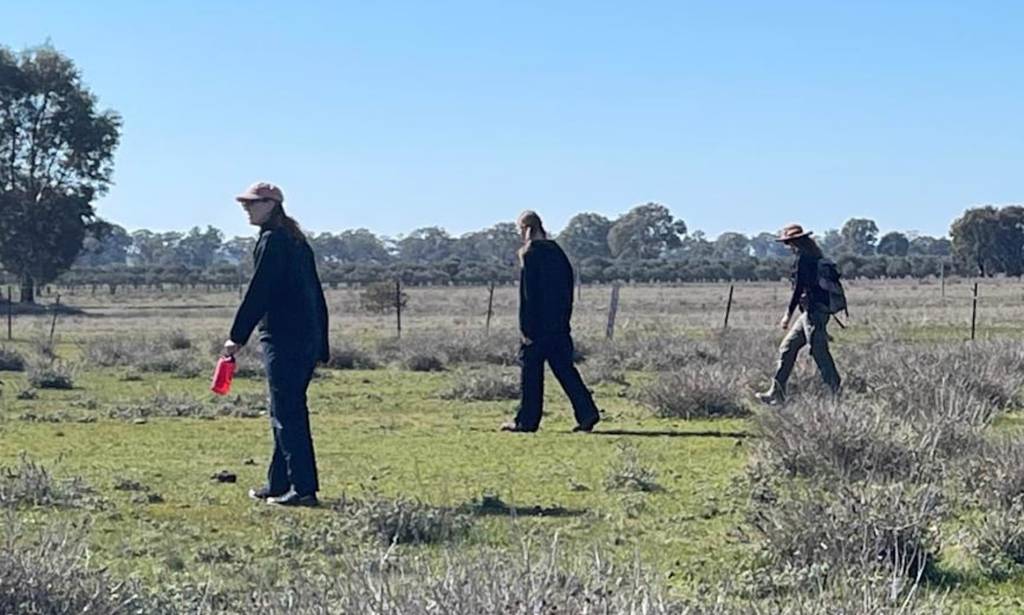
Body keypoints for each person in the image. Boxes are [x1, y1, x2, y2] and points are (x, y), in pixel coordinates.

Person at [224, 182, 329, 507]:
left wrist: (236, 336)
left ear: (272, 204)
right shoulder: (296, 241)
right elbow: (317, 295)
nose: (247, 208)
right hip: (305, 338)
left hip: (285, 338)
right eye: (245, 203)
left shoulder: (274, 241)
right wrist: (322, 341)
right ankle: (278, 482)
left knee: (288, 412)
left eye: (253, 203)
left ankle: (304, 489)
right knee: (283, 409)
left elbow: (260, 291)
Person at [501, 210, 601, 433]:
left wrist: (526, 328)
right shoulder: (558, 253)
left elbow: (529, 296)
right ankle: (587, 412)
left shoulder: (529, 254)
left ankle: (527, 421)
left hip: (537, 327)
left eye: (520, 229)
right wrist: (564, 319)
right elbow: (567, 289)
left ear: (527, 229)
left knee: (531, 374)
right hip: (559, 324)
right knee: (565, 369)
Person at [756, 223, 842, 405]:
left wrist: (787, 315)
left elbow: (799, 290)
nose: (788, 246)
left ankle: (835, 391)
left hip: (815, 313)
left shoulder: (805, 259)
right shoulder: (813, 255)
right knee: (787, 348)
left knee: (819, 352)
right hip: (810, 314)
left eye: (789, 242)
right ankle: (776, 393)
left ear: (797, 241)